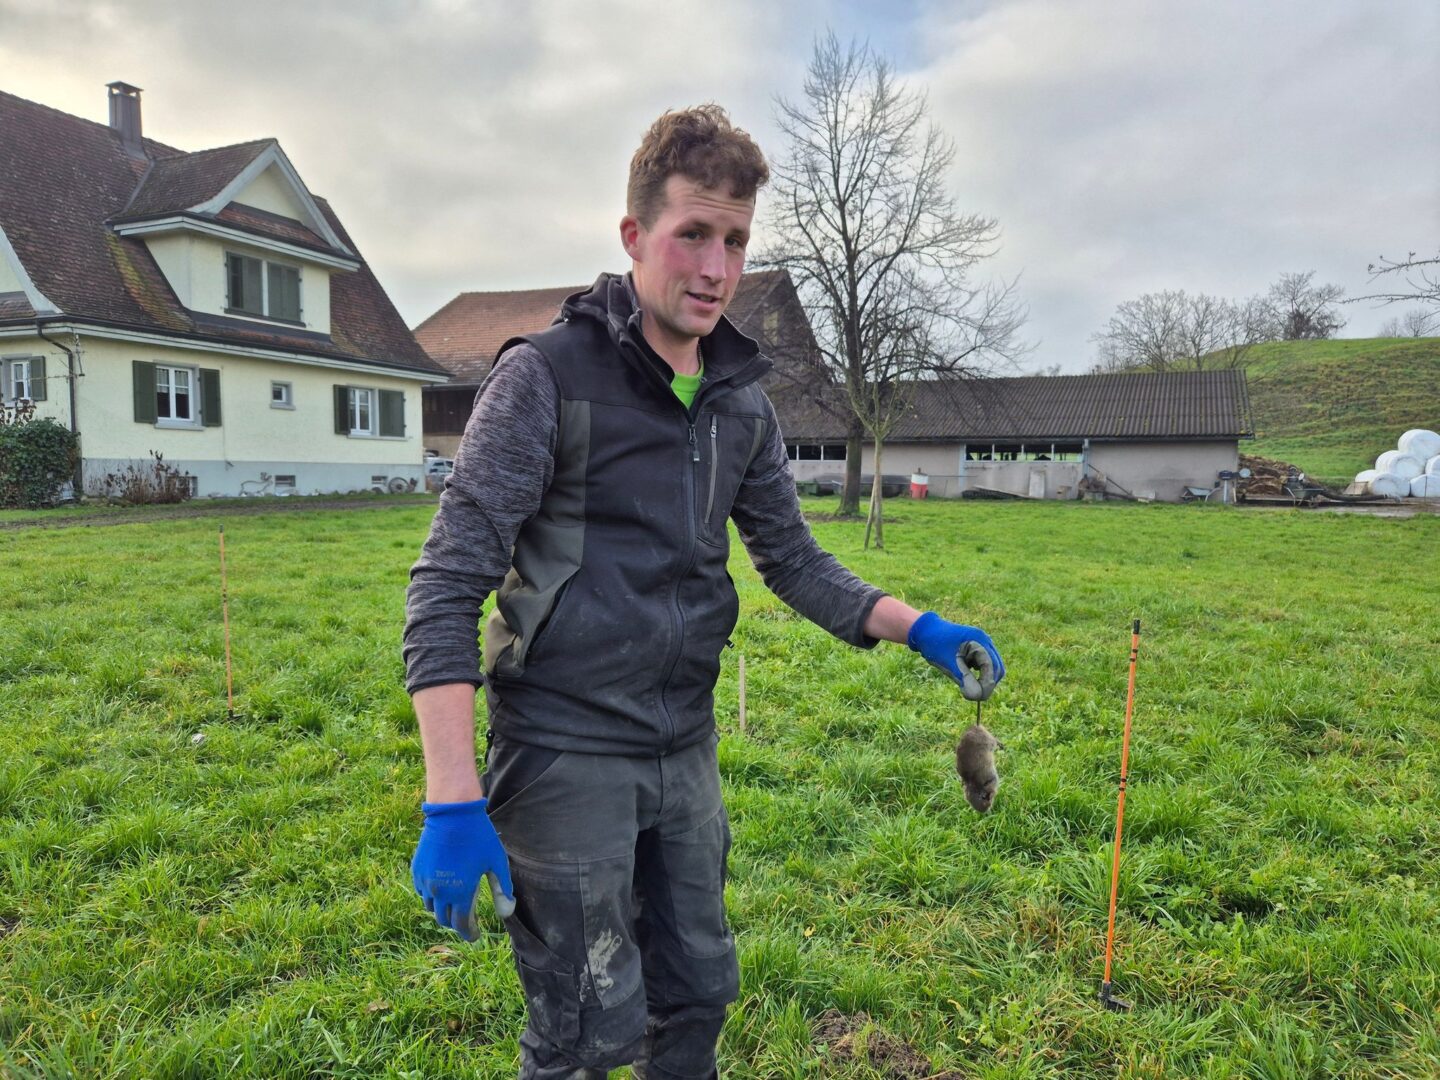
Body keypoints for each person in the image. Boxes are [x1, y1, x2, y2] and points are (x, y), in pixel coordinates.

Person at [402, 104, 1004, 1080]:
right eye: (693, 235)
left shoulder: (739, 404)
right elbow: (446, 584)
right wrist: (451, 799)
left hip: (682, 749)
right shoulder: (546, 380)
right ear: (636, 236)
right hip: (564, 753)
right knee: (583, 1028)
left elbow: (794, 558)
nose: (717, 268)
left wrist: (918, 627)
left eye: (734, 240)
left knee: (696, 998)